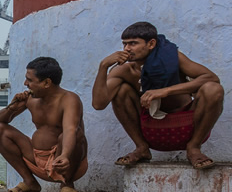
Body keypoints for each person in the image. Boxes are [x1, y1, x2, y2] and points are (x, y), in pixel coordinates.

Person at [92, 21, 224, 169]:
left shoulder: (173, 58)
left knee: (213, 89)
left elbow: (212, 78)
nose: (127, 49)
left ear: (151, 44)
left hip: (188, 124)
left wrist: (166, 90)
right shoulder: (124, 70)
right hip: (152, 128)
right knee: (121, 91)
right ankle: (141, 148)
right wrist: (103, 67)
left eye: (133, 43)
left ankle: (194, 148)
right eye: (125, 44)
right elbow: (98, 104)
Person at [0, 56, 88, 192]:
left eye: (29, 80)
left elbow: (70, 129)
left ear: (46, 83)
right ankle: (30, 183)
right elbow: (0, 121)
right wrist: (12, 106)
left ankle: (67, 185)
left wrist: (64, 155)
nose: (25, 84)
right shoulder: (30, 98)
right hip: (36, 158)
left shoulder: (69, 99)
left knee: (75, 134)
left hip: (64, 161)